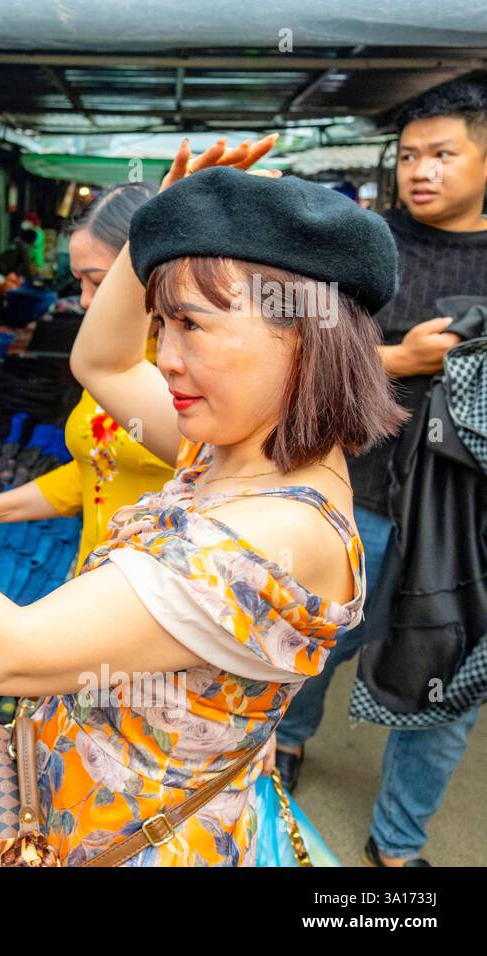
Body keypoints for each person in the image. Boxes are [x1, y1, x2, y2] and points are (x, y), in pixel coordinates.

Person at [0, 134, 408, 866]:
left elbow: (9, 654)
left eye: (192, 325)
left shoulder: (267, 537)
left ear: (303, 339)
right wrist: (159, 226)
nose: (169, 358)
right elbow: (102, 360)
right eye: (163, 324)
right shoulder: (243, 457)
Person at [275, 79, 487, 866]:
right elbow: (293, 351)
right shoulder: (363, 246)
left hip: (465, 516)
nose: (420, 170)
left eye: (442, 153)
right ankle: (288, 739)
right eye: (408, 156)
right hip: (356, 485)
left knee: (449, 674)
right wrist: (402, 358)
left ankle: (397, 845)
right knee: (316, 636)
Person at [0, 185, 174, 574]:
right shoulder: (106, 367)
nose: (86, 300)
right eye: (79, 282)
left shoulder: (187, 373)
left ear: (152, 270)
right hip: (91, 588)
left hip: (154, 605)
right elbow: (94, 470)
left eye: (100, 282)